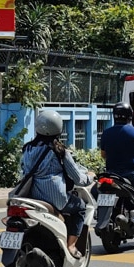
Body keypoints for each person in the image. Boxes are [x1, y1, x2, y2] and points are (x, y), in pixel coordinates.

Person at [19, 110, 95, 259]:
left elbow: (23, 170)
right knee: (80, 207)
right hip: (55, 199)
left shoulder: (27, 148)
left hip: (32, 197)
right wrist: (90, 177)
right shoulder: (59, 150)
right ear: (59, 128)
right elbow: (78, 179)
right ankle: (71, 245)